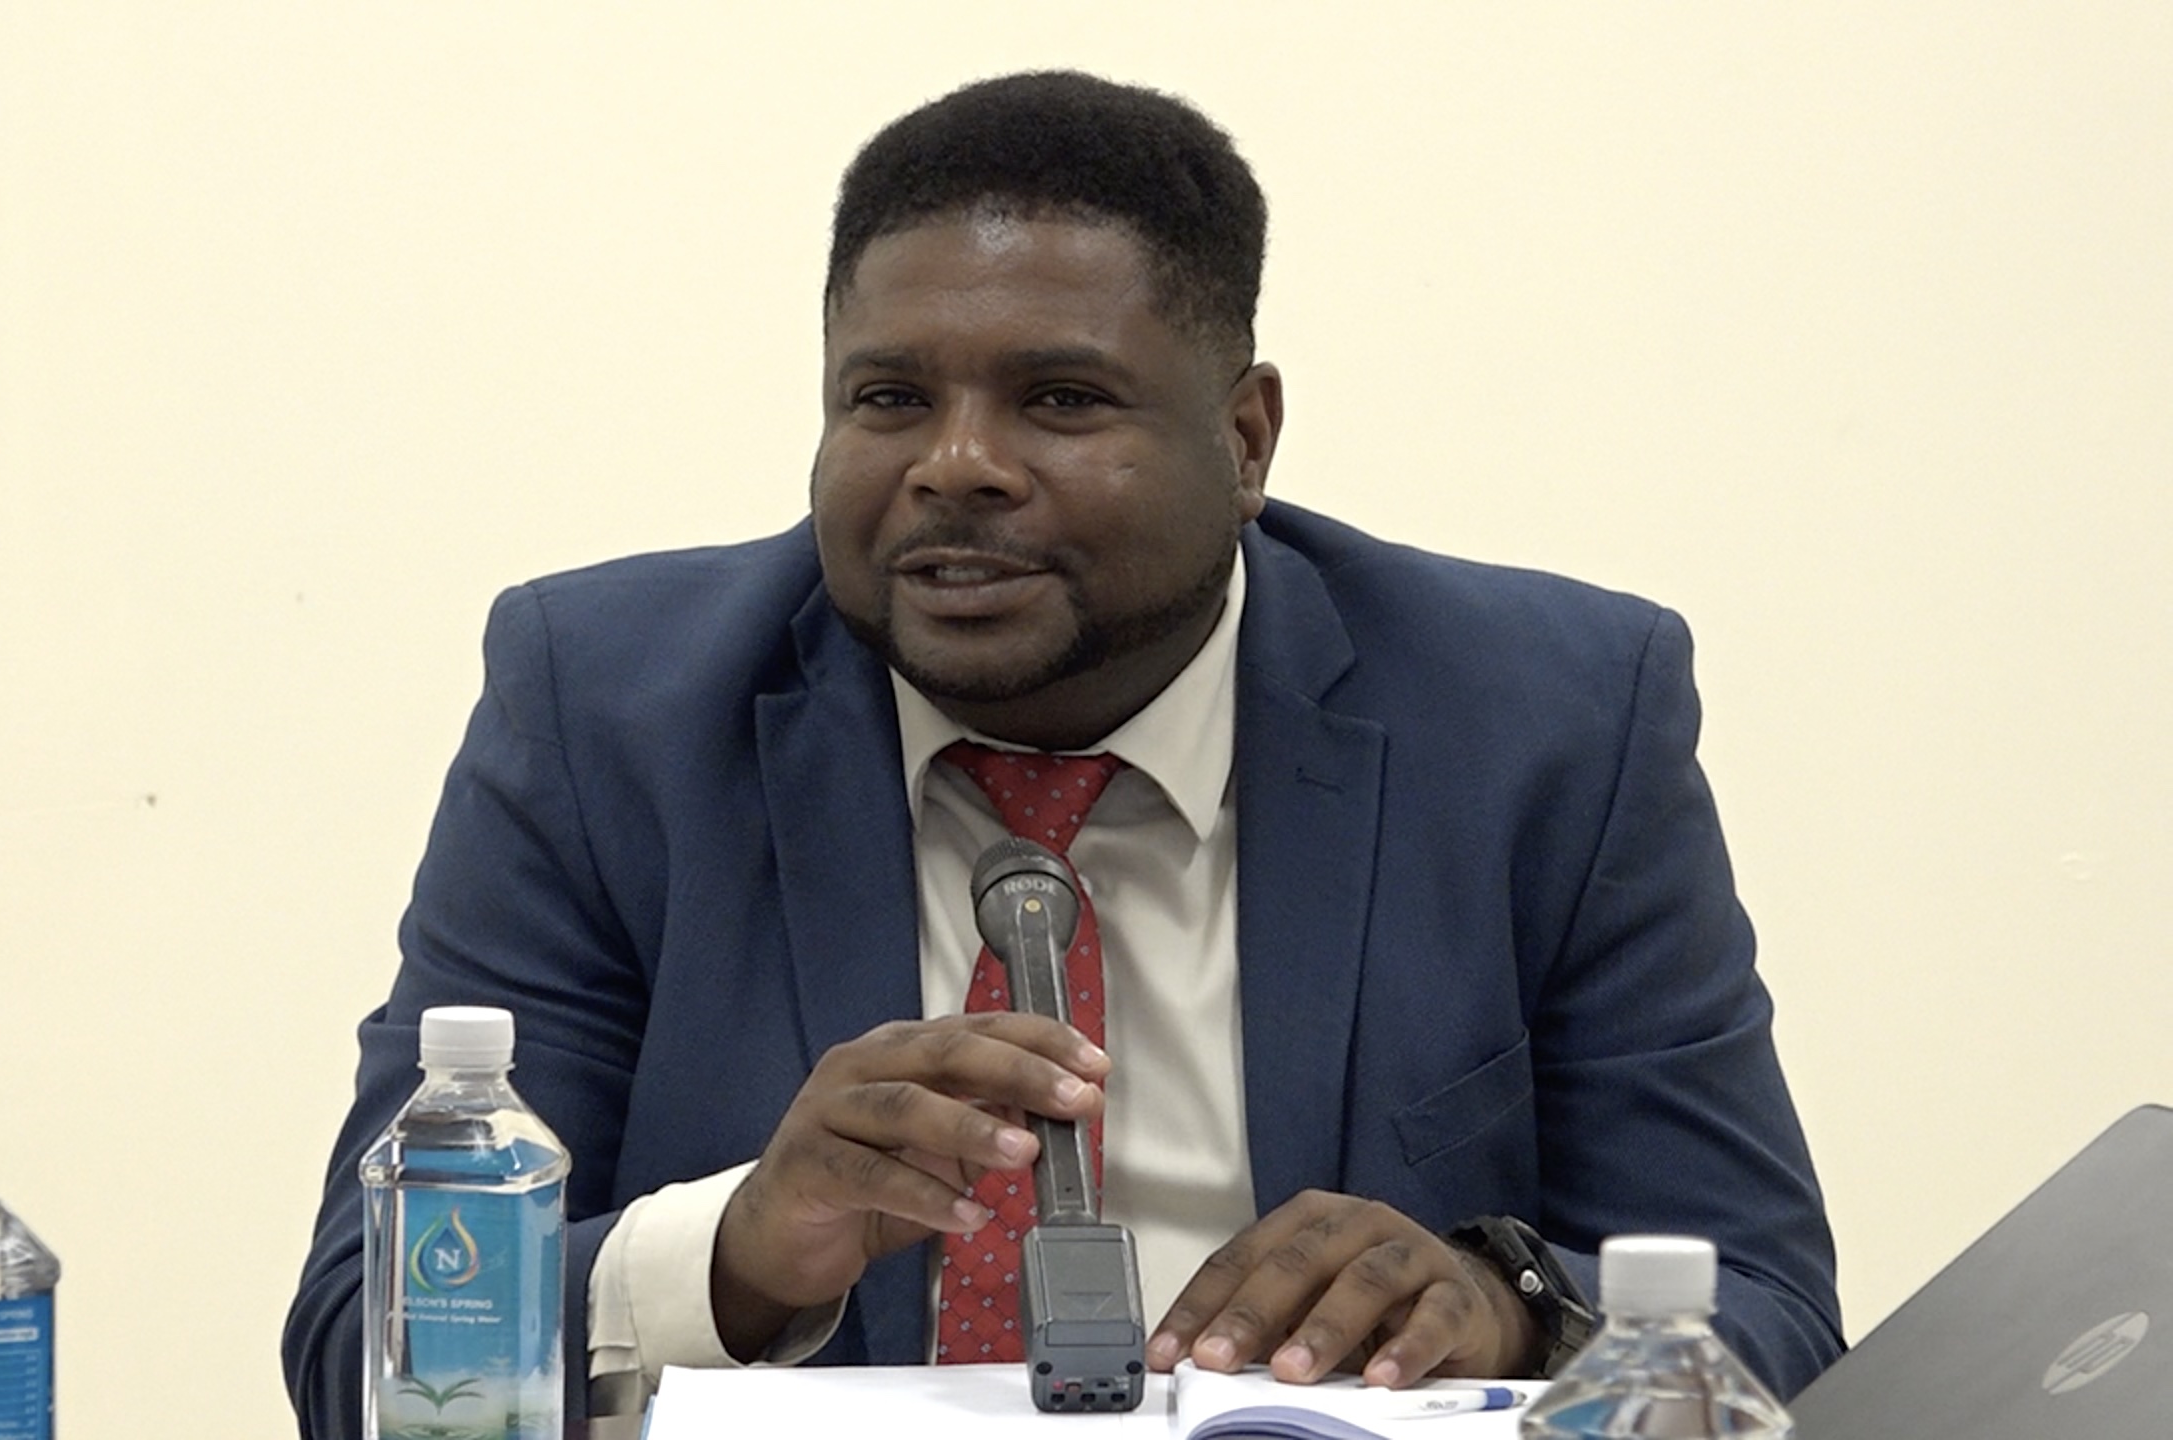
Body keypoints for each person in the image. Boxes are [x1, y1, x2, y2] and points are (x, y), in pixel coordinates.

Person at [283, 70, 1842, 1437]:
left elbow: (1769, 1327)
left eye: (1060, 399)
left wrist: (1504, 1309)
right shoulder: (611, 707)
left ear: (1245, 441)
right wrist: (742, 1250)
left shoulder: (1541, 721)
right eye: (889, 398)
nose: (957, 467)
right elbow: (367, 1355)